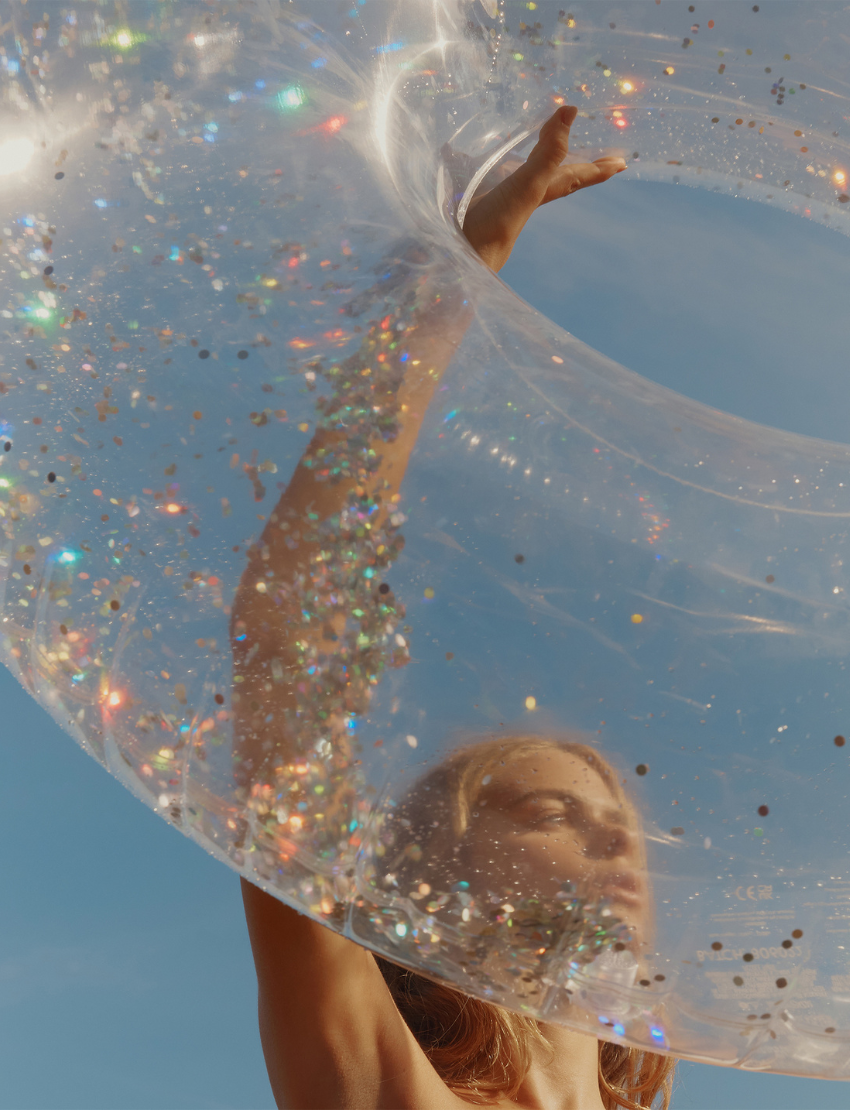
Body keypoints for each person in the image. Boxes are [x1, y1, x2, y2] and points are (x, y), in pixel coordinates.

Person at [233, 106, 674, 1108]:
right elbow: (287, 632)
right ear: (436, 868)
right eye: (553, 815)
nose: (616, 843)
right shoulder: (382, 1084)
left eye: (618, 825)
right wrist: (460, 273)